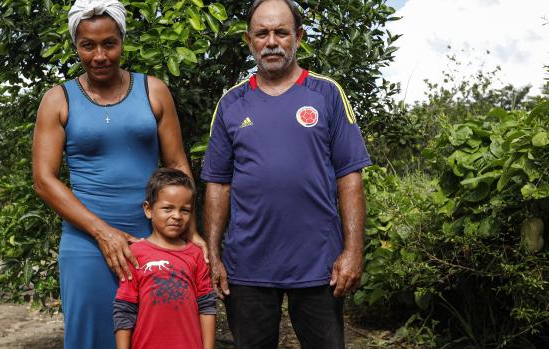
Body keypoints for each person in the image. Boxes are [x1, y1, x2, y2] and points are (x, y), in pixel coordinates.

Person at [32, 1, 204, 347]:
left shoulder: (152, 91)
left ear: (122, 42)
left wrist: (192, 233)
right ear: (75, 45)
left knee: (158, 336)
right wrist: (104, 234)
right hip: (86, 247)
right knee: (91, 337)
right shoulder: (58, 100)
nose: (100, 55)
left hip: (155, 242)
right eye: (88, 45)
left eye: (109, 43)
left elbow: (178, 167)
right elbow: (44, 180)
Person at [200, 0, 372, 348]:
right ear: (250, 40)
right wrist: (214, 255)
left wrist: (353, 251)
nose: (272, 41)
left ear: (299, 37)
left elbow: (349, 177)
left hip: (319, 264)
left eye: (282, 32)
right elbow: (218, 183)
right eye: (262, 34)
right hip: (246, 265)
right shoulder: (231, 103)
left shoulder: (327, 93)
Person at [113, 168, 216, 349]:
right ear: (148, 209)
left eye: (185, 210)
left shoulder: (197, 254)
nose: (177, 216)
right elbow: (125, 307)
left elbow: (206, 306)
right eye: (167, 208)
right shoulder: (134, 254)